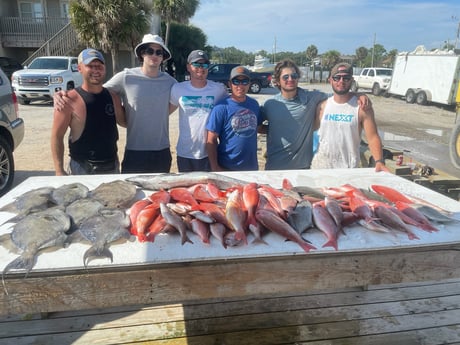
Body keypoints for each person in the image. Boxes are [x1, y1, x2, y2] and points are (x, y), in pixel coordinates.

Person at [54, 34, 177, 173]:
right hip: (134, 151)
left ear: (163, 57)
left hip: (162, 151)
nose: (154, 55)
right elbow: (95, 89)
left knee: (160, 194)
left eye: (159, 52)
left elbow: (184, 97)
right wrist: (61, 94)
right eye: (150, 51)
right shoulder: (125, 77)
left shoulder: (171, 82)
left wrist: (157, 114)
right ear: (142, 53)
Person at [260, 58, 370, 170]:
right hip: (275, 167)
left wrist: (358, 94)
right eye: (285, 77)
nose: (290, 79)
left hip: (302, 168)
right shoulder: (270, 104)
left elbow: (339, 94)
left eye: (294, 76)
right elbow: (256, 125)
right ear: (278, 81)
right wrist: (274, 129)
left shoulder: (311, 98)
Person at [51, 48, 125, 175]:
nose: (96, 70)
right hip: (81, 168)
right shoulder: (68, 100)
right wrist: (59, 170)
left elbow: (125, 122)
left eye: (99, 66)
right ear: (80, 68)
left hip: (111, 165)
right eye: (90, 66)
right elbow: (56, 136)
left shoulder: (113, 97)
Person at [311, 62, 389, 172]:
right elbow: (310, 130)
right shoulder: (322, 106)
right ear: (330, 80)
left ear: (351, 80)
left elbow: (372, 137)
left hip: (347, 170)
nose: (341, 81)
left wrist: (379, 162)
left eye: (346, 78)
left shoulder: (362, 108)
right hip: (320, 168)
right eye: (337, 78)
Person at [169, 50, 228, 172]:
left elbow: (230, 110)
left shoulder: (219, 89)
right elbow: (165, 112)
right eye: (196, 64)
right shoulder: (178, 88)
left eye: (204, 64)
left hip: (209, 153)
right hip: (184, 153)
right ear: (188, 67)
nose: (201, 68)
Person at [205, 66, 262, 171]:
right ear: (230, 84)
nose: (240, 85)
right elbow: (211, 140)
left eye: (244, 81)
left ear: (249, 84)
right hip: (227, 167)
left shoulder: (254, 104)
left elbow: (258, 128)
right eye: (236, 81)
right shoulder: (221, 107)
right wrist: (215, 167)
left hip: (251, 167)